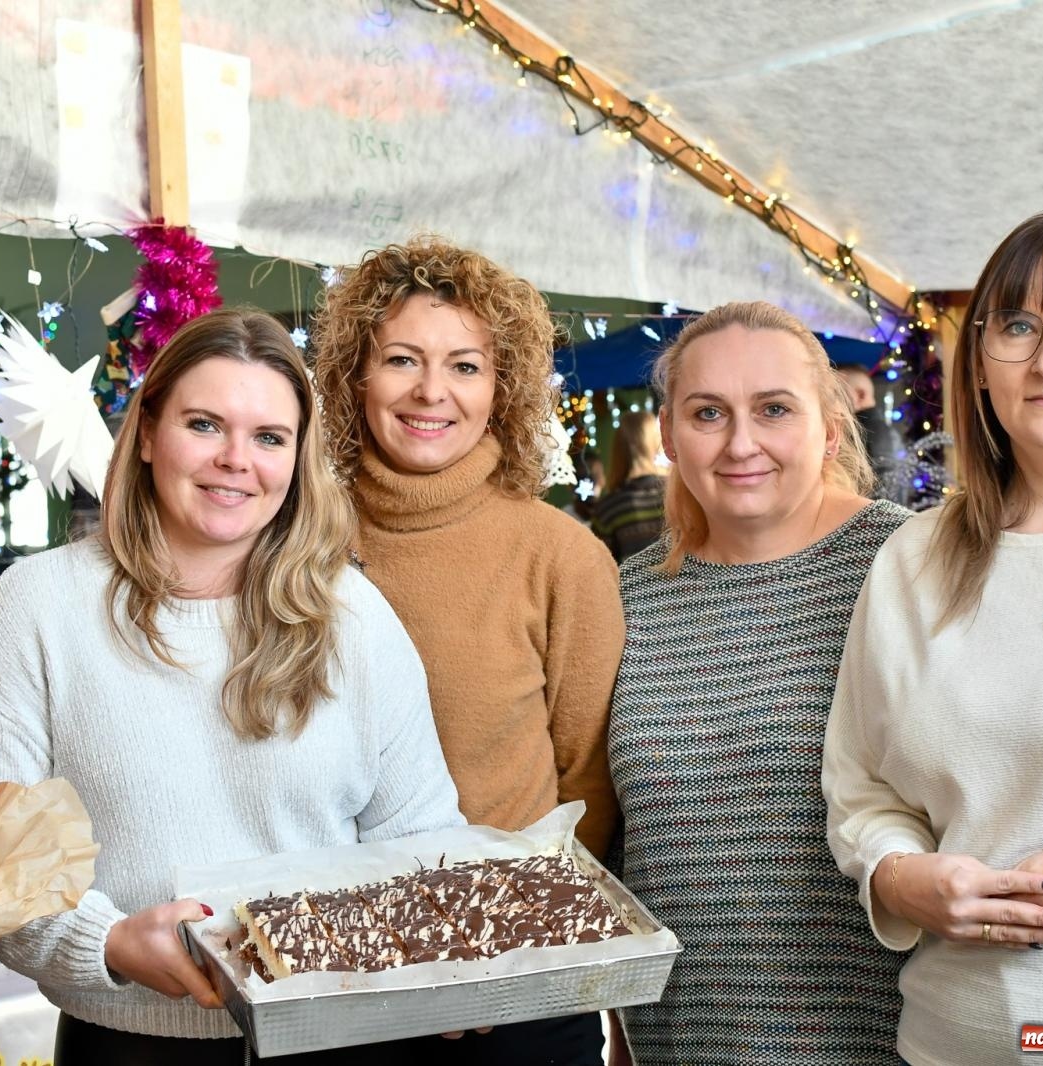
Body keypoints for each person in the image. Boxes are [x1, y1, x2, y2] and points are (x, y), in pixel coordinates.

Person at [0, 308, 464, 1065]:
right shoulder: (38, 607)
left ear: (296, 460)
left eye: (268, 438)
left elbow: (422, 837)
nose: (236, 459)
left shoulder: (354, 616)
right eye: (203, 424)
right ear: (149, 432)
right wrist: (113, 942)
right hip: (128, 1044)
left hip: (338, 1038)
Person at [823, 211, 1043, 1064]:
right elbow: (863, 788)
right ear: (980, 363)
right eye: (1019, 326)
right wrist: (901, 877)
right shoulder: (913, 558)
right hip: (946, 1041)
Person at [312, 236, 623, 1064]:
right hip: (337, 976)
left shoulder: (559, 556)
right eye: (402, 360)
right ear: (353, 378)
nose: (430, 392)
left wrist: (499, 959)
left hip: (515, 976)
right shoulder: (296, 541)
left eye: (465, 366)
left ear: (503, 389)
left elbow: (587, 787)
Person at [609, 301, 909, 1064]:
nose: (741, 442)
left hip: (881, 1042)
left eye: (774, 409)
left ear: (830, 429)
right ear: (671, 436)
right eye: (708, 413)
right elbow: (617, 848)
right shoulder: (625, 595)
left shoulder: (909, 565)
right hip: (682, 1044)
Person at [591, 411, 667, 563]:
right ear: (656, 442)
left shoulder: (608, 508)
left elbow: (599, 566)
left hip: (630, 586)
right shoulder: (680, 493)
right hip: (688, 586)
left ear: (618, 450)